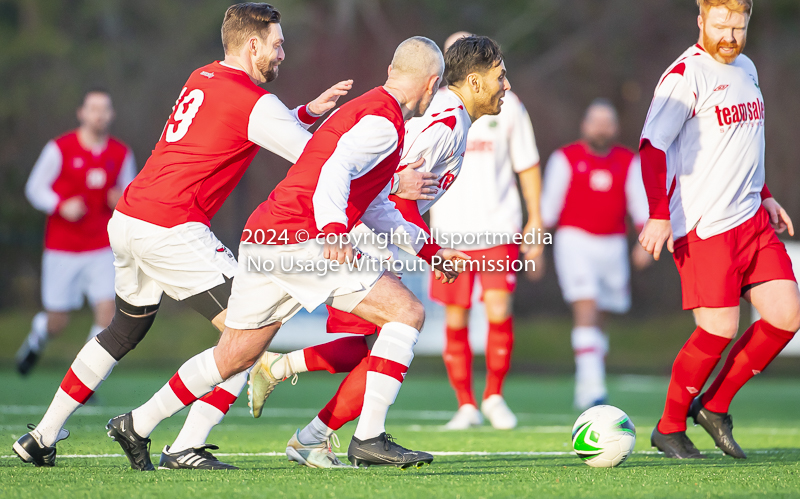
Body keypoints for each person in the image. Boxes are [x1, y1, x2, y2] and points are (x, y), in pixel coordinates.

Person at [13, 2, 351, 470]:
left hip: (130, 218)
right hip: (170, 226)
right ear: (252, 45)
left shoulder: (204, 75)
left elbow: (234, 127)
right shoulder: (255, 103)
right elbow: (319, 162)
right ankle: (179, 442)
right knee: (247, 338)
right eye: (277, 44)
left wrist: (304, 112)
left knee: (122, 330)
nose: (282, 54)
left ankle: (42, 435)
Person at [108, 36, 470, 470]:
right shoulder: (384, 123)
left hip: (264, 236)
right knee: (407, 313)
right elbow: (335, 170)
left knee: (234, 355)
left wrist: (428, 250)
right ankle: (368, 438)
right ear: (431, 85)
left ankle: (137, 423)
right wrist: (335, 229)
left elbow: (371, 203)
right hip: (303, 239)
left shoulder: (371, 108)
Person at [246, 34, 511, 468]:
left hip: (372, 236)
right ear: (476, 82)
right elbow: (379, 178)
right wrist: (392, 233)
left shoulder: (453, 121)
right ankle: (344, 433)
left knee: (366, 350)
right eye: (501, 76)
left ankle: (300, 411)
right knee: (393, 330)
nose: (507, 85)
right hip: (360, 239)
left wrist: (429, 250)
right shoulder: (444, 125)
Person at [639, 0, 800, 459]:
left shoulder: (746, 67)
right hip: (705, 225)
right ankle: (669, 427)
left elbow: (745, 140)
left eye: (739, 25)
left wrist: (766, 193)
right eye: (721, 25)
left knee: (787, 315)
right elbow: (652, 147)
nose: (730, 35)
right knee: (718, 330)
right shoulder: (684, 76)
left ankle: (713, 405)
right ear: (701, 21)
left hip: (752, 218)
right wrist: (657, 213)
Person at [421, 32, 542, 431]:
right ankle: (466, 404)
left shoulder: (507, 105)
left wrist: (534, 220)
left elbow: (527, 163)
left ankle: (494, 396)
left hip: (497, 228)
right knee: (455, 318)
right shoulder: (434, 108)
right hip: (451, 232)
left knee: (498, 310)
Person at [540, 99, 651, 410]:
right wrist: (535, 247)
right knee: (586, 304)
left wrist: (645, 243)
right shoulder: (565, 158)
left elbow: (640, 206)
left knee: (602, 314)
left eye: (608, 122)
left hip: (612, 245)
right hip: (574, 241)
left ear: (615, 128)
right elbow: (548, 209)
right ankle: (594, 387)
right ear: (584, 125)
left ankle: (587, 381)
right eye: (596, 121)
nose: (601, 128)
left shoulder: (629, 161)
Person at [16, 89, 136, 376]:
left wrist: (121, 199)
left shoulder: (121, 153)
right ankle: (37, 337)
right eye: (93, 108)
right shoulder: (59, 148)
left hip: (102, 248)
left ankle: (85, 375)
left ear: (111, 115)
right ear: (81, 113)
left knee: (108, 315)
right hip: (62, 248)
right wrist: (60, 205)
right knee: (58, 322)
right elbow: (34, 189)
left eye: (105, 109)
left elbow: (131, 196)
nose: (99, 114)